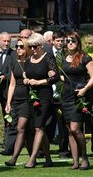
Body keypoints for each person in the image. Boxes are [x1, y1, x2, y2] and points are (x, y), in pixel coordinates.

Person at [5, 33, 58, 168]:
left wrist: (39, 82)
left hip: (44, 96)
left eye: (35, 46)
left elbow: (55, 77)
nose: (33, 49)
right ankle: (48, 158)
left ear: (41, 46)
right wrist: (26, 80)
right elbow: (25, 76)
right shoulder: (29, 60)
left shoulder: (48, 58)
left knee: (38, 127)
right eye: (31, 46)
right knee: (39, 128)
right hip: (31, 95)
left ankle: (32, 158)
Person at [58, 32, 93, 170]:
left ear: (78, 42)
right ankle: (75, 162)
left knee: (76, 129)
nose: (70, 43)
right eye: (68, 41)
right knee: (69, 130)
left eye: (73, 41)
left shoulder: (85, 57)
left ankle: (85, 158)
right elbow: (66, 76)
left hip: (79, 95)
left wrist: (85, 89)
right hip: (66, 96)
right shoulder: (64, 58)